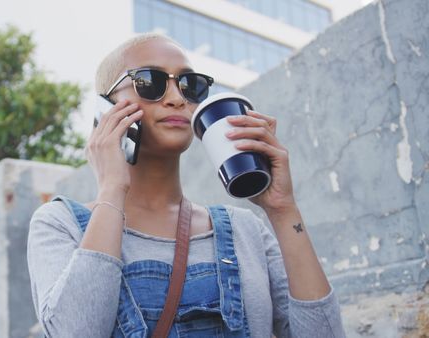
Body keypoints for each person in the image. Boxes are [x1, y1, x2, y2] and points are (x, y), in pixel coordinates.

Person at [26, 32, 345, 337]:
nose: (177, 98)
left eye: (190, 85)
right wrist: (111, 188)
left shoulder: (245, 230)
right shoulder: (60, 225)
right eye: (150, 81)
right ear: (105, 108)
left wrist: (283, 209)